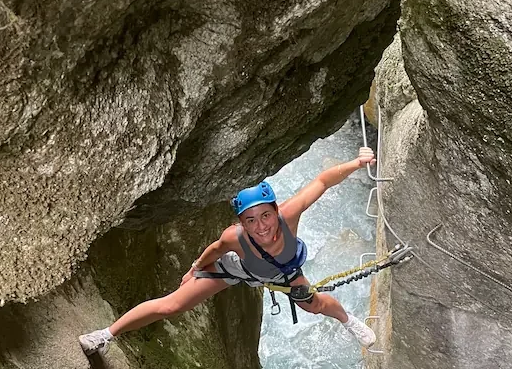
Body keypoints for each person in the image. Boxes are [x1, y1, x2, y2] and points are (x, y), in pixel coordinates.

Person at [79, 147, 379, 356]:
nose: (261, 226)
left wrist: (356, 163)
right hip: (234, 270)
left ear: (276, 210)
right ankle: (106, 335)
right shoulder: (234, 237)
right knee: (171, 306)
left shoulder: (290, 215)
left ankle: (349, 321)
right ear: (240, 223)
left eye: (265, 215)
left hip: (284, 273)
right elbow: (215, 249)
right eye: (250, 220)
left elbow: (322, 181)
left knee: (314, 304)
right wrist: (195, 269)